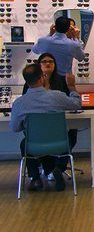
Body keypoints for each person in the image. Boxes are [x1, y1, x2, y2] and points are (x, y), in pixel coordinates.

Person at [9, 63, 82, 192]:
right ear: (42, 77)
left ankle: (35, 178)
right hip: (60, 144)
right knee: (70, 137)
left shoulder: (19, 103)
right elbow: (77, 104)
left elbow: (15, 128)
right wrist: (71, 87)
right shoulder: (57, 96)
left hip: (34, 146)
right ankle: (58, 168)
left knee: (25, 143)